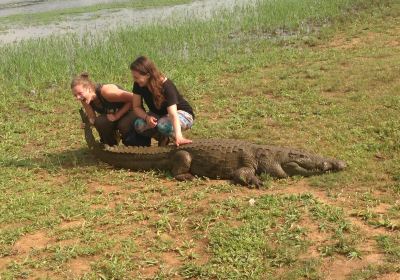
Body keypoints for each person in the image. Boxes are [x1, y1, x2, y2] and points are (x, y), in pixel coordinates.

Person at [71, 72, 150, 146]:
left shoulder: (107, 92)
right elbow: (93, 118)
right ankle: (110, 146)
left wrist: (117, 116)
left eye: (80, 93)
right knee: (100, 122)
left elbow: (135, 99)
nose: (78, 97)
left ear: (88, 88)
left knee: (123, 124)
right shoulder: (84, 99)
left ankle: (138, 145)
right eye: (75, 95)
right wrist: (88, 124)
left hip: (133, 110)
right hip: (114, 115)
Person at [130, 56, 195, 146]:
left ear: (148, 75)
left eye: (136, 77)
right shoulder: (138, 84)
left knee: (163, 125)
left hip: (182, 114)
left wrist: (178, 136)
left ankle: (176, 138)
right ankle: (163, 138)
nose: (134, 80)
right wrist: (147, 117)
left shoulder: (166, 85)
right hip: (160, 116)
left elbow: (173, 114)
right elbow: (136, 106)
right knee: (139, 125)